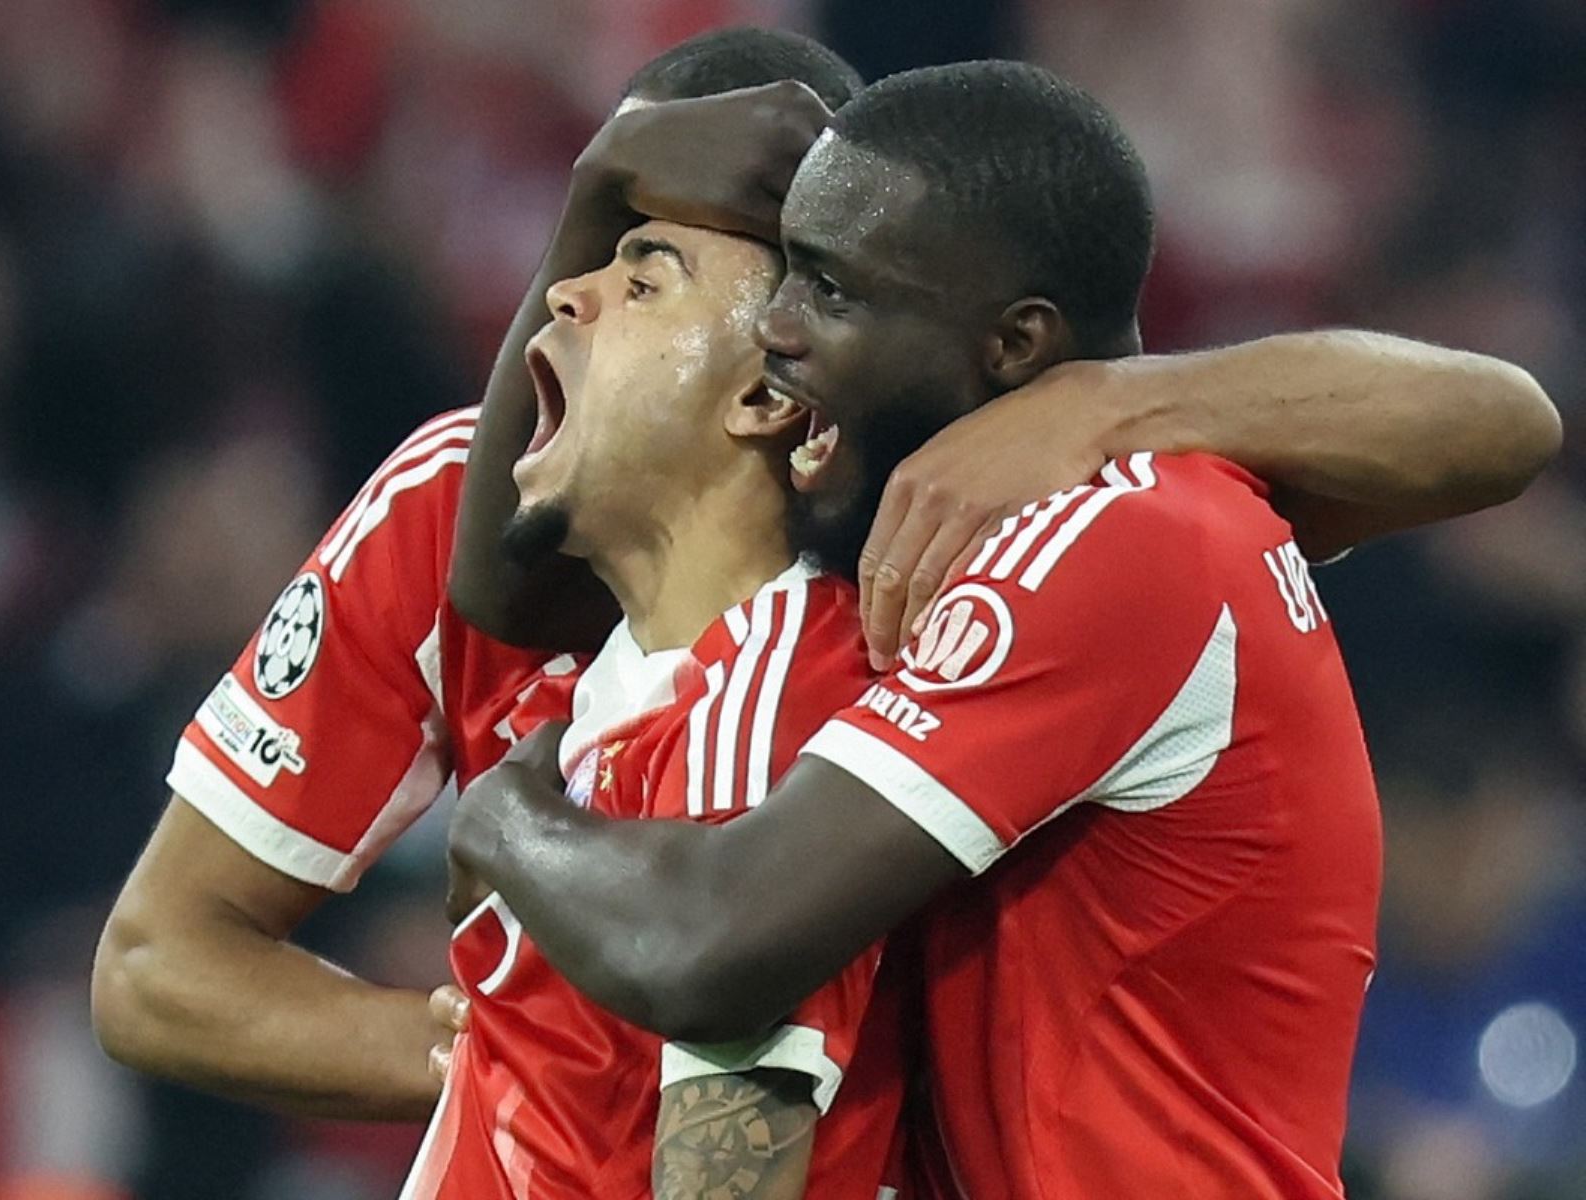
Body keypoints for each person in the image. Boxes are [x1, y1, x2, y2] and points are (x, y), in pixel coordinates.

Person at [444, 61, 1564, 1199]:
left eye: (829, 290)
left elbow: (710, 944)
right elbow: (507, 586)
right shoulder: (1006, 517)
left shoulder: (1119, 538)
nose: (777, 327)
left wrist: (505, 817)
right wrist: (599, 189)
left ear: (1017, 346)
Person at [88, 28, 866, 1121]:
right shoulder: (445, 501)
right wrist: (507, 1056)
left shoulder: (932, 539)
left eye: (650, 270)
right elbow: (155, 965)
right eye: (588, 239)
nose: (569, 298)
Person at [403, 216, 907, 1198]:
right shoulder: (595, 698)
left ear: (763, 397)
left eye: (646, 287)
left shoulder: (778, 695)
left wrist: (505, 826)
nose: (565, 295)